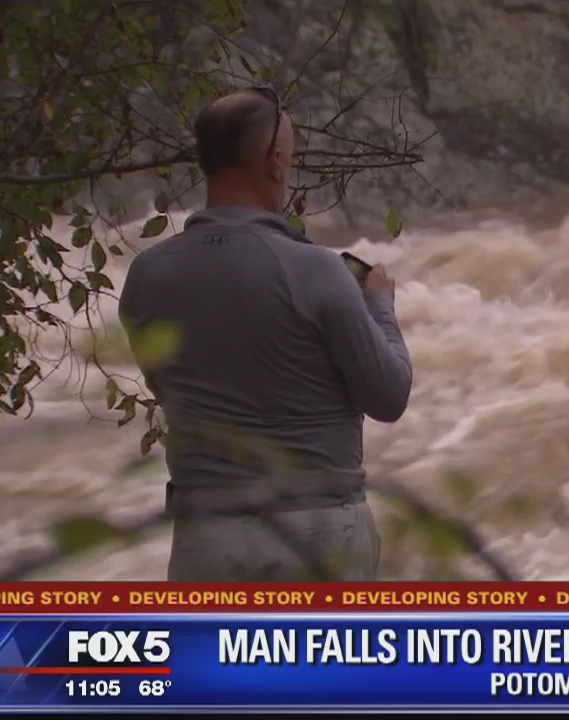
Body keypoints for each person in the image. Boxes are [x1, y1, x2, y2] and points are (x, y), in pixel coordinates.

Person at [118, 86, 413, 581]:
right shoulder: (317, 270)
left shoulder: (146, 275)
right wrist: (380, 305)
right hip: (318, 531)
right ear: (275, 161)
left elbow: (164, 386)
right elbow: (389, 396)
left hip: (205, 534)